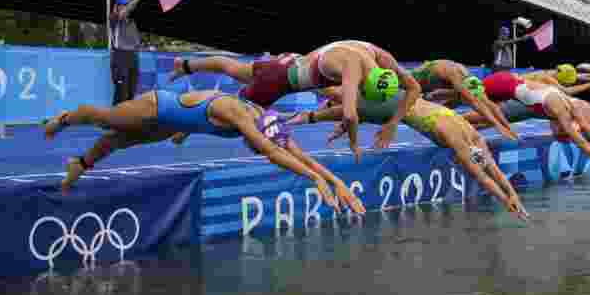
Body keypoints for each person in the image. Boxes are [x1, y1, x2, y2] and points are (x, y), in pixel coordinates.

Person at [42, 90, 364, 216]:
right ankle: (65, 118)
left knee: (118, 142)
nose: (252, 149)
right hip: (158, 105)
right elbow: (272, 152)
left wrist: (336, 182)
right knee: (106, 120)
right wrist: (312, 180)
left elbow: (297, 153)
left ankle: (79, 164)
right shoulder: (242, 116)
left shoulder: (266, 120)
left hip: (172, 124)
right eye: (255, 145)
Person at [297, 89, 530, 220]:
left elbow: (492, 171)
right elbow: (483, 177)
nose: (460, 164)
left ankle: (316, 93)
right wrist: (505, 200)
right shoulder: (458, 141)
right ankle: (310, 103)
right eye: (463, 162)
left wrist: (512, 195)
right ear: (464, 156)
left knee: (349, 102)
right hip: (398, 108)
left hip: (406, 98)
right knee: (351, 108)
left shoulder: (475, 137)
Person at [170, 41, 421, 159]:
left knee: (235, 69)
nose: (360, 94)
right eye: (362, 93)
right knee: (236, 120)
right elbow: (350, 114)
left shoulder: (378, 57)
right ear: (365, 84)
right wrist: (354, 144)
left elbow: (414, 88)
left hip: (287, 61)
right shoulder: (353, 69)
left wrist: (392, 124)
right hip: (277, 83)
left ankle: (185, 65)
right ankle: (187, 125)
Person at [109, 0, 151, 104]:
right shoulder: (114, 18)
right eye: (121, 5)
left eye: (125, 5)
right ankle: (115, 120)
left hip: (133, 56)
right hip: (120, 57)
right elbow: (125, 12)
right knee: (121, 93)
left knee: (131, 93)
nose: (123, 7)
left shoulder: (133, 21)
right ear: (116, 7)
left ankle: (127, 120)